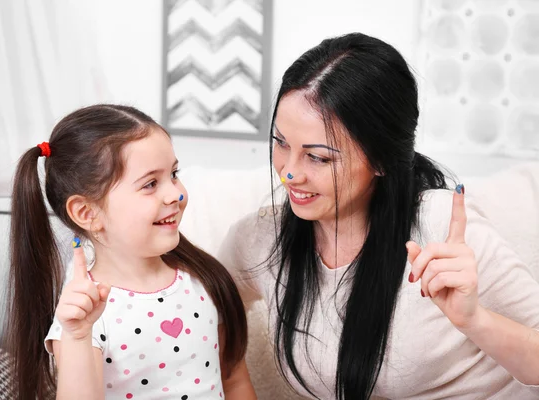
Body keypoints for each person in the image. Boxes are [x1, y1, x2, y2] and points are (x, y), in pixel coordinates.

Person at [218, 33, 539, 399]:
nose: (289, 173)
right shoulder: (262, 239)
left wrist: (474, 320)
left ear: (382, 160)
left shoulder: (441, 229)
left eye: (318, 157)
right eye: (280, 143)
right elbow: (207, 308)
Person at [5, 104, 256, 400]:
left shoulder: (203, 280)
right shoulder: (81, 318)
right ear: (87, 213)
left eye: (174, 174)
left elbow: (235, 382)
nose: (174, 193)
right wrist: (77, 337)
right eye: (150, 184)